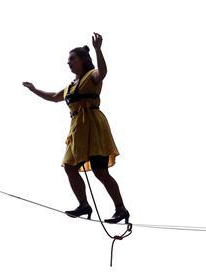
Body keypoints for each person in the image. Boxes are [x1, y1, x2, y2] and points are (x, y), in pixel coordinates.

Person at [23, 33, 130, 223]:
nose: (68, 63)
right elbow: (55, 96)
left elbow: (102, 72)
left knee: (100, 171)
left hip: (93, 127)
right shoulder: (71, 85)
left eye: (72, 59)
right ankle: (84, 204)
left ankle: (120, 209)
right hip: (77, 130)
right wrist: (34, 90)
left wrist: (98, 49)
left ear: (83, 60)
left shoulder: (92, 75)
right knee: (69, 167)